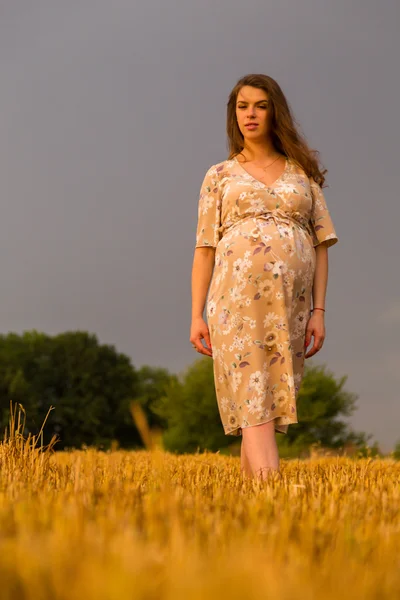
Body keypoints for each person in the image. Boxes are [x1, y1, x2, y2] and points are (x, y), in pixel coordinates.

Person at [190, 74, 339, 482]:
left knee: (265, 405)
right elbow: (205, 249)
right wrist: (196, 315)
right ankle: (274, 497)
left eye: (260, 105)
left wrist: (318, 311)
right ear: (233, 115)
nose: (250, 114)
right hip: (235, 303)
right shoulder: (219, 175)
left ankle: (249, 516)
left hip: (289, 307)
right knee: (254, 400)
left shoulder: (302, 172)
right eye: (242, 106)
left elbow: (322, 244)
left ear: (276, 111)